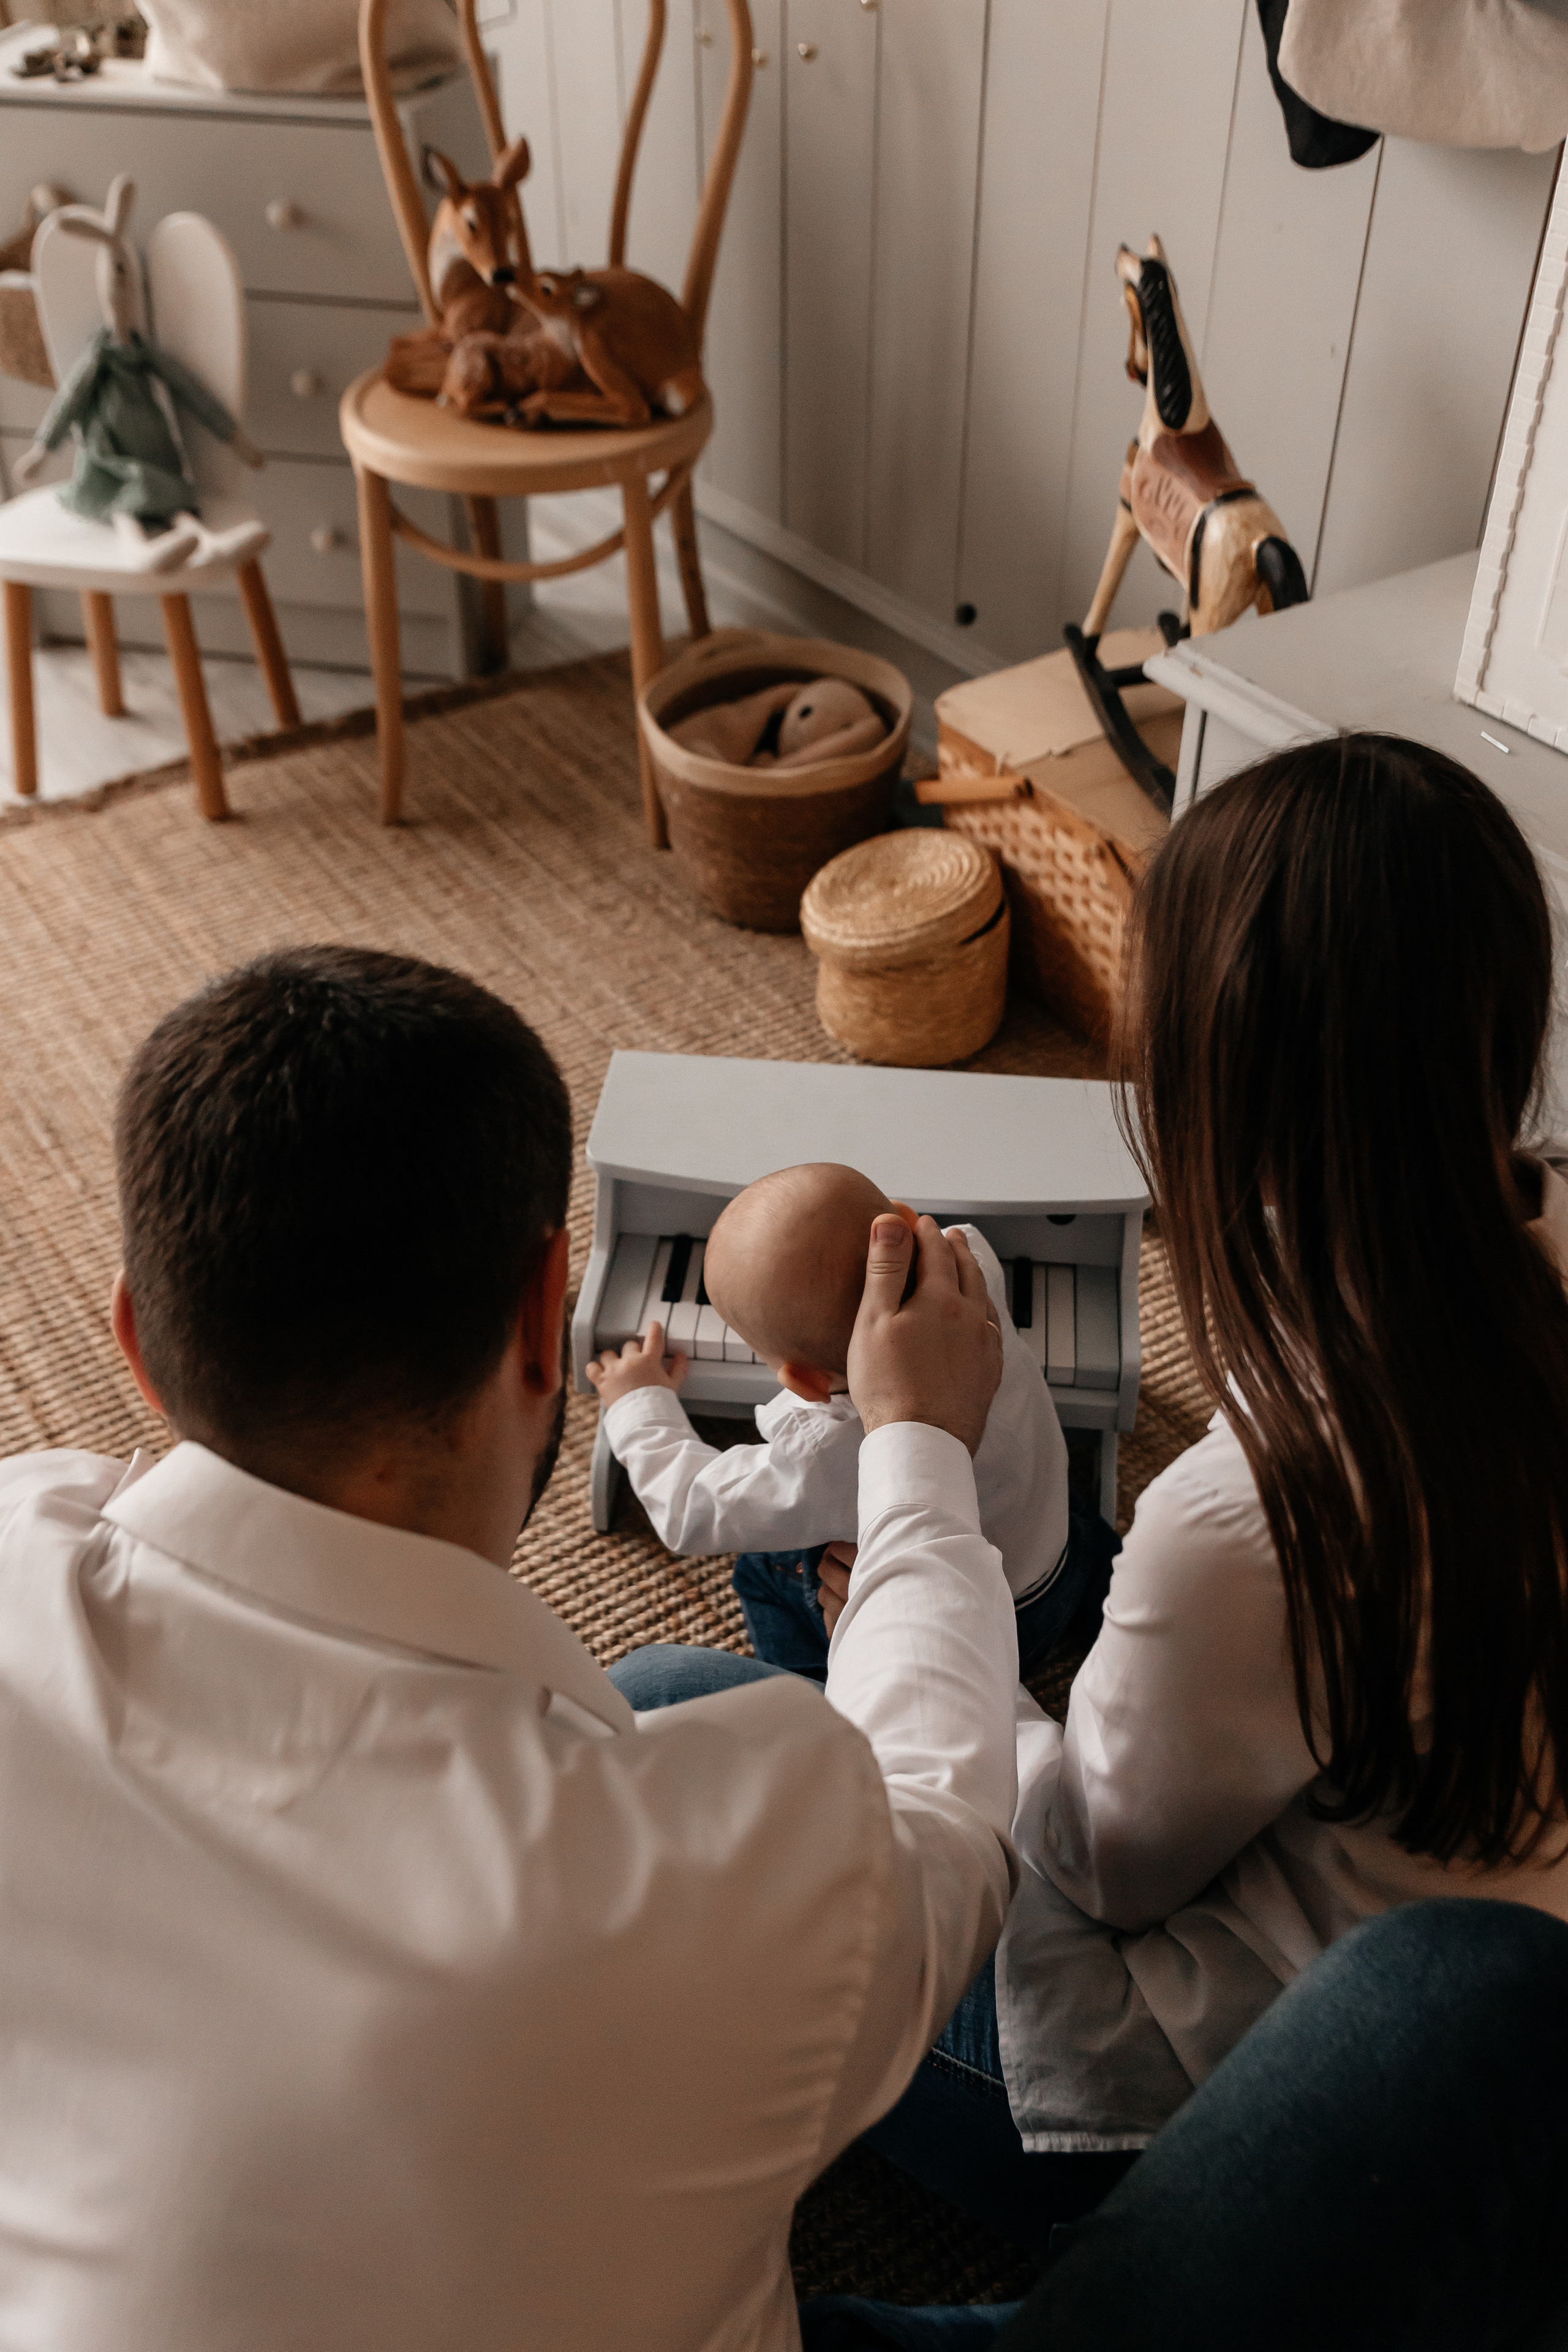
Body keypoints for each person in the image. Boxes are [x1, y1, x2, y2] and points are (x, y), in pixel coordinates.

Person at [620, 733, 1568, 2277]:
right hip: (1496, 1972)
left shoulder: (1251, 1512)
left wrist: (918, 1593)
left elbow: (1083, 1861)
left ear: (1218, 1088)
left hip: (1230, 2092)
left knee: (660, 1718)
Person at [0, 945, 1021, 2352]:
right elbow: (946, 1828)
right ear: (549, 1313)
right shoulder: (671, 1880)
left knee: (654, 1692)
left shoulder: (22, 1529)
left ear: (133, 1337)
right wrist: (914, 1443)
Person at [587, 1161, 1112, 1676]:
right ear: (905, 1223)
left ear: (806, 1381)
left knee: (763, 1569)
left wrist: (640, 1404)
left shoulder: (827, 1451)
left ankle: (820, 1683)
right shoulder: (971, 1268)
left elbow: (689, 1508)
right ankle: (1108, 1606)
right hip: (1054, 1550)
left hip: (976, 1634)